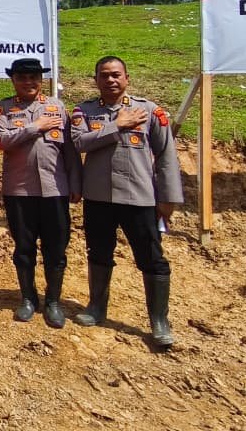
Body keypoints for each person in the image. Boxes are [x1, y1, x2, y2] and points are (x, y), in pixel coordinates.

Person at [70, 56, 183, 348]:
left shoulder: (149, 111)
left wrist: (168, 198)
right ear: (96, 80)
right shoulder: (84, 111)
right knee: (98, 253)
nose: (110, 80)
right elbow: (80, 143)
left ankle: (159, 320)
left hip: (139, 198)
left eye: (116, 74)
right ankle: (97, 307)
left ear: (127, 78)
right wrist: (117, 125)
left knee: (152, 258)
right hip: (99, 197)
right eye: (104, 75)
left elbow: (167, 156)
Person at [0, 58, 82, 328]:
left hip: (55, 189)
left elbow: (70, 150)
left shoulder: (57, 107)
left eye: (33, 77)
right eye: (22, 77)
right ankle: (28, 298)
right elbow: (1, 140)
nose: (28, 82)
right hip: (19, 191)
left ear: (41, 80)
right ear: (13, 80)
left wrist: (75, 183)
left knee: (56, 248)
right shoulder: (4, 109)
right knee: (24, 247)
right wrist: (36, 127)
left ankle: (53, 301)